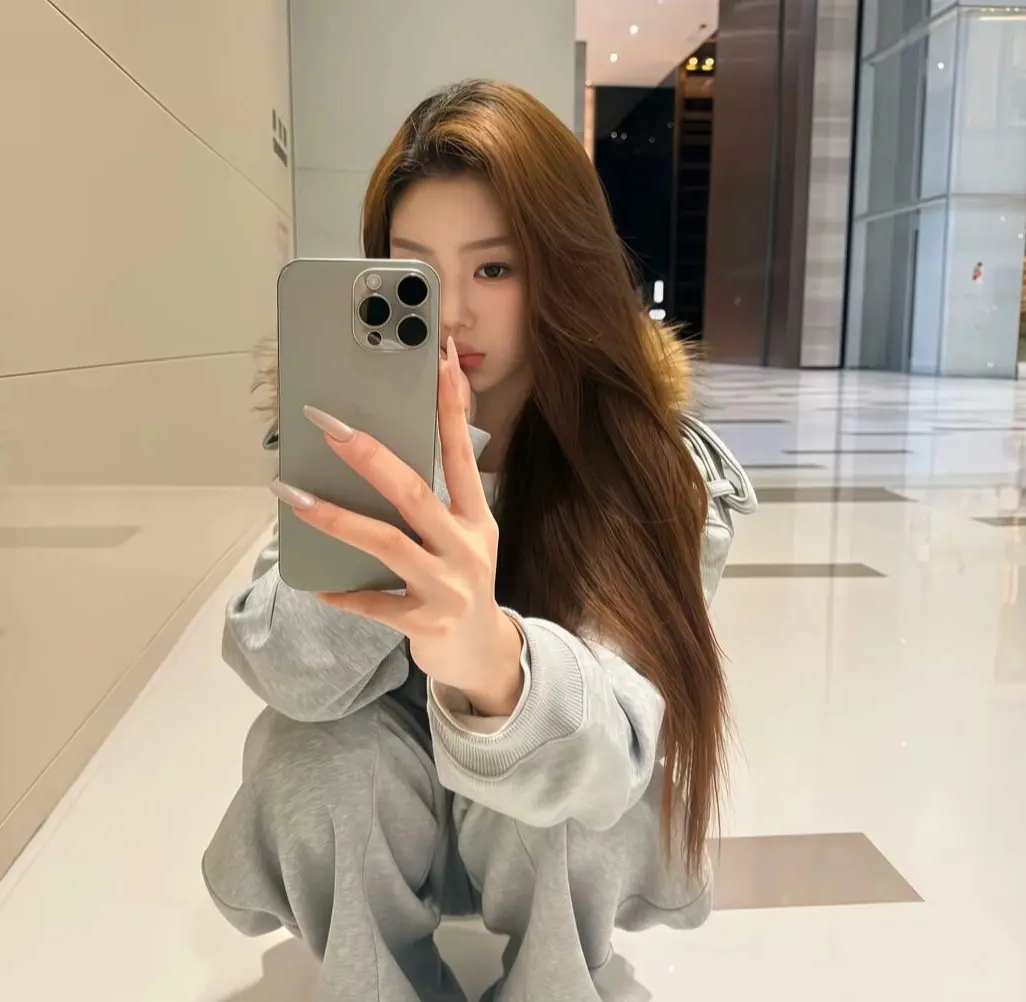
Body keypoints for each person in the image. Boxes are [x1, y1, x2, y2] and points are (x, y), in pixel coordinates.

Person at [202, 80, 754, 1002]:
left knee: (567, 769)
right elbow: (289, 676)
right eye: (416, 275)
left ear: (563, 270)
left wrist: (498, 666)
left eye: (495, 269)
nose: (453, 314)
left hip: (545, 826)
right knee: (317, 760)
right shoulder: (346, 436)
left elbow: (617, 753)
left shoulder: (638, 460)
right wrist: (395, 486)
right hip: (389, 795)